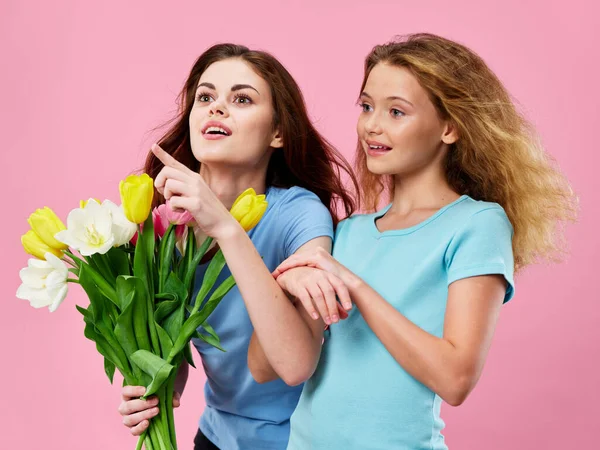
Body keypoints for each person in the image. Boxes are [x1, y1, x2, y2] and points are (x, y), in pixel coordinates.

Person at [251, 33, 577, 449]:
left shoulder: (477, 224)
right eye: (367, 106)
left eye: (396, 111)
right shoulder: (348, 231)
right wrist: (285, 286)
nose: (372, 124)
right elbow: (265, 368)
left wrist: (354, 286)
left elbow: (456, 379)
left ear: (450, 126)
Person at [117, 43, 357, 450]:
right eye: (205, 97)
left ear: (278, 133)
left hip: (299, 442)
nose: (216, 108)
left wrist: (227, 230)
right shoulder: (163, 226)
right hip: (216, 438)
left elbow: (295, 364)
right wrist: (147, 385)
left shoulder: (298, 214)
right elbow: (172, 366)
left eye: (241, 99)